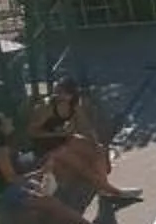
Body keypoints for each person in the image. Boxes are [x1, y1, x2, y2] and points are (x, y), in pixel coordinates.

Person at [0, 116, 96, 224]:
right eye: (5, 121)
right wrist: (39, 173)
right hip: (5, 193)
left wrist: (37, 177)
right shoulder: (0, 152)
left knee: (50, 192)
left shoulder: (5, 147)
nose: (10, 120)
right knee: (51, 202)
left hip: (14, 188)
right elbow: (11, 179)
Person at [27, 80, 137, 208]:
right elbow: (32, 132)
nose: (56, 95)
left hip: (63, 138)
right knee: (82, 167)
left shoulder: (74, 105)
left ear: (70, 95)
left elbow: (85, 127)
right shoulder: (46, 107)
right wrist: (57, 134)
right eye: (56, 92)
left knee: (99, 150)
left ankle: (103, 187)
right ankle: (116, 193)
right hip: (46, 144)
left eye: (61, 93)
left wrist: (95, 143)